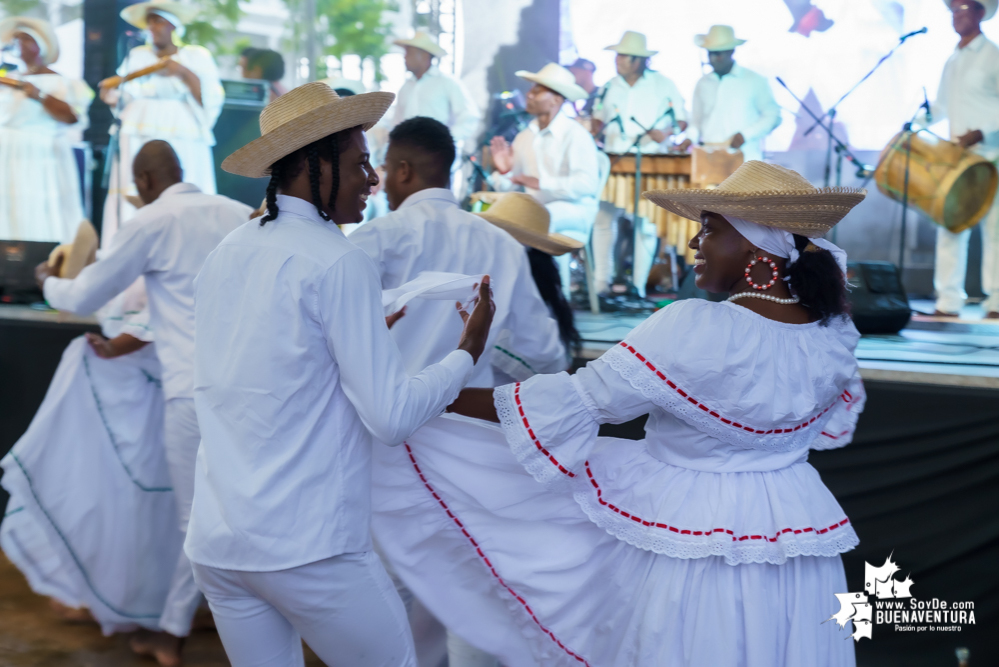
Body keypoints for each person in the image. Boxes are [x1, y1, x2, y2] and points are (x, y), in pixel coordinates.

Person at [371, 161, 866, 666]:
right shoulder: (833, 335)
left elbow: (575, 401)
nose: (695, 244)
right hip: (797, 542)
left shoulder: (694, 327)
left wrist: (431, 388)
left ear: (757, 248)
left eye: (710, 230)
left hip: (698, 542)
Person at [184, 82, 494, 667]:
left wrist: (364, 319)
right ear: (312, 165)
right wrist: (466, 353)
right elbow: (392, 417)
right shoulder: (339, 259)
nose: (374, 180)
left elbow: (269, 351)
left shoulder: (229, 249)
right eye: (358, 163)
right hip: (309, 549)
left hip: (221, 543)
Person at [351, 117, 567, 667]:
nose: (376, 179)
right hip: (471, 445)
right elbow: (545, 355)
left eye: (381, 167)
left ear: (402, 170)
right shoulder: (499, 243)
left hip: (383, 440)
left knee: (388, 584)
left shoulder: (376, 238)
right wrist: (490, 369)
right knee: (463, 582)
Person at [34, 140, 253, 667]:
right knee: (241, 512)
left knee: (194, 522)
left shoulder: (153, 221)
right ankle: (230, 620)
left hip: (191, 392)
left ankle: (174, 632)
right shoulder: (240, 214)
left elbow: (85, 294)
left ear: (147, 183)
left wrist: (47, 283)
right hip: (252, 392)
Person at [99, 1, 224, 244]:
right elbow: (123, 95)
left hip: (182, 129)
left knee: (181, 187)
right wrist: (110, 96)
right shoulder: (137, 56)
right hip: (138, 128)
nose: (152, 27)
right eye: (149, 22)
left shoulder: (195, 56)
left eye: (158, 21)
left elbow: (210, 98)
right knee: (134, 184)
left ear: (172, 26)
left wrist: (183, 72)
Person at [488, 63, 600, 292]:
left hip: (574, 210)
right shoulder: (524, 136)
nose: (528, 95)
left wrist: (541, 183)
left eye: (537, 91)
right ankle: (514, 295)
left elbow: (587, 185)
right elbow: (512, 185)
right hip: (537, 210)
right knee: (497, 219)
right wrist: (505, 172)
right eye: (531, 90)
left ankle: (556, 299)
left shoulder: (575, 134)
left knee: (539, 218)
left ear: (556, 99)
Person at [926, 0, 999, 318]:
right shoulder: (951, 60)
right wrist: (915, 122)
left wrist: (982, 132)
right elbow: (940, 108)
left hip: (993, 156)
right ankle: (948, 302)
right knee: (951, 226)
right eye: (952, 9)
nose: (957, 14)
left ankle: (996, 303)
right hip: (959, 160)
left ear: (981, 13)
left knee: (996, 230)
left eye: (964, 7)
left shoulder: (993, 55)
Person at [0, 17, 93, 242]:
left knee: (39, 209)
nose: (19, 45)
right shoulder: (8, 80)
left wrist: (39, 95)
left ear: (40, 45)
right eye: (16, 40)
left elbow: (72, 117)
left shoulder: (62, 83)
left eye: (25, 39)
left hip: (42, 156)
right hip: (8, 155)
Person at [677, 25, 781, 163]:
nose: (713, 58)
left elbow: (772, 116)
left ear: (731, 51)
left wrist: (745, 135)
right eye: (710, 53)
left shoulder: (754, 80)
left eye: (718, 54)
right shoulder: (702, 83)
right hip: (709, 160)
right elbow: (696, 122)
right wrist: (689, 139)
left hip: (746, 162)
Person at [385, 31, 480, 158]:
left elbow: (469, 116)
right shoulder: (405, 88)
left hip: (437, 158)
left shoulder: (447, 82)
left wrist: (444, 141)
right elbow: (396, 123)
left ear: (424, 55)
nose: (405, 57)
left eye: (409, 52)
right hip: (408, 155)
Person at [591, 30, 687, 155]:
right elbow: (597, 117)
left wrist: (666, 132)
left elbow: (682, 121)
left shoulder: (664, 85)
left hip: (653, 158)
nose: (617, 60)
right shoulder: (608, 87)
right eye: (617, 55)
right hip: (614, 157)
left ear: (637, 61)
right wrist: (594, 130)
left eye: (623, 56)